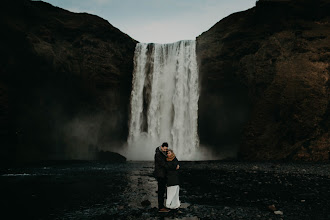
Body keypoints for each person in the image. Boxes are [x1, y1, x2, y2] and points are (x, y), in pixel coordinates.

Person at [154, 142, 170, 212]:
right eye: (164, 149)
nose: (165, 150)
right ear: (161, 147)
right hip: (160, 175)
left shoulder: (162, 153)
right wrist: (171, 166)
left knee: (162, 191)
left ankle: (162, 206)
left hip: (163, 174)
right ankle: (161, 207)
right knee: (161, 191)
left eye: (166, 149)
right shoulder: (158, 154)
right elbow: (162, 163)